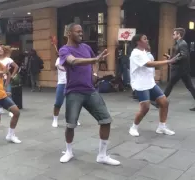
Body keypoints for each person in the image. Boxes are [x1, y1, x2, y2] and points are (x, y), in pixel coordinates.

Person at [58, 23, 120, 165]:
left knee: (106, 120)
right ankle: (69, 151)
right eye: (77, 32)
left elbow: (94, 63)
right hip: (74, 92)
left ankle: (102, 155)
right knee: (70, 125)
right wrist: (95, 60)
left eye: (81, 32)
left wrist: (94, 72)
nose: (81, 34)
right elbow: (73, 61)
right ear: (69, 33)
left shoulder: (86, 47)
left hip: (90, 90)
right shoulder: (64, 50)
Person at [128, 34, 179, 137]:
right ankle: (133, 127)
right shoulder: (135, 53)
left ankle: (162, 127)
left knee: (164, 103)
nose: (147, 40)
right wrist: (168, 61)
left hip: (150, 83)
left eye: (147, 38)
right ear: (138, 42)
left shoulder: (143, 52)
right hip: (140, 84)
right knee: (145, 108)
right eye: (144, 39)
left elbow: (150, 64)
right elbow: (149, 64)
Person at [160, 28, 195, 111]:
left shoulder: (182, 44)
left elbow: (184, 55)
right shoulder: (179, 43)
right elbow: (179, 55)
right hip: (182, 69)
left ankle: (160, 102)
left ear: (179, 35)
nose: (172, 35)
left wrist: (173, 60)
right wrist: (170, 57)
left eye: (174, 34)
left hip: (180, 69)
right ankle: (160, 102)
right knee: (190, 87)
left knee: (170, 85)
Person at [52, 57, 80, 128]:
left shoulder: (73, 58)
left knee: (74, 103)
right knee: (58, 103)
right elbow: (59, 66)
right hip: (62, 83)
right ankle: (55, 120)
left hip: (72, 83)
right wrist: (67, 69)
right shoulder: (59, 58)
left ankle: (74, 119)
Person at [0, 45, 19, 117]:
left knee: (8, 93)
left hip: (6, 79)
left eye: (1, 50)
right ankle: (0, 107)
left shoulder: (8, 59)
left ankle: (11, 110)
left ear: (4, 51)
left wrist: (12, 75)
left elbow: (16, 66)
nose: (0, 51)